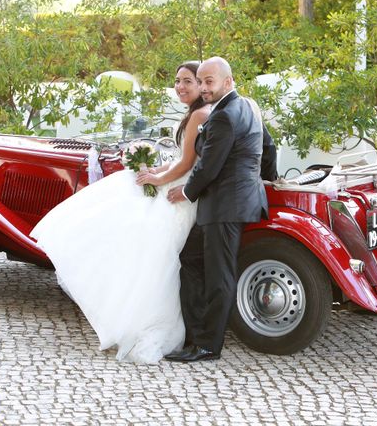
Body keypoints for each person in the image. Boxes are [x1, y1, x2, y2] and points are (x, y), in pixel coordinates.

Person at [30, 61, 211, 363]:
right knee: (143, 240)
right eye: (177, 81)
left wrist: (156, 178)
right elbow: (180, 159)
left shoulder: (200, 115)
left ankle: (146, 322)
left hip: (181, 195)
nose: (180, 87)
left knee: (152, 250)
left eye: (188, 82)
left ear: (202, 85)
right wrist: (156, 169)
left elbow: (187, 165)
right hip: (176, 184)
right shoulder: (192, 114)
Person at [164, 57, 269, 362]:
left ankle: (208, 346)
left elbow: (210, 165)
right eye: (202, 81)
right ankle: (194, 335)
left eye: (210, 82)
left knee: (220, 276)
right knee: (190, 259)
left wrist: (185, 191)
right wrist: (263, 179)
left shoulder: (224, 115)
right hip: (235, 199)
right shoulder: (247, 106)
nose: (204, 87)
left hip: (225, 204)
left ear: (228, 81)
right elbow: (269, 147)